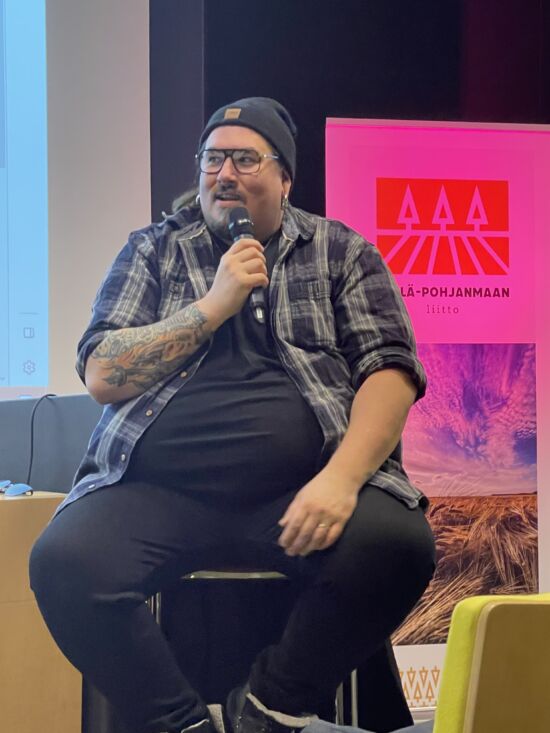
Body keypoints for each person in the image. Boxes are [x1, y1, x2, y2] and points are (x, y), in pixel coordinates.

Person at [30, 97, 436, 733]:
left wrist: (340, 480)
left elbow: (391, 372)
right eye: (212, 159)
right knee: (64, 561)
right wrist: (212, 306)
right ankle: (180, 723)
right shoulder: (154, 251)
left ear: (284, 178)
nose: (225, 174)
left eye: (246, 159)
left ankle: (272, 706)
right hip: (158, 494)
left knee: (397, 544)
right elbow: (103, 372)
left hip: (301, 492)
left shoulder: (340, 251)